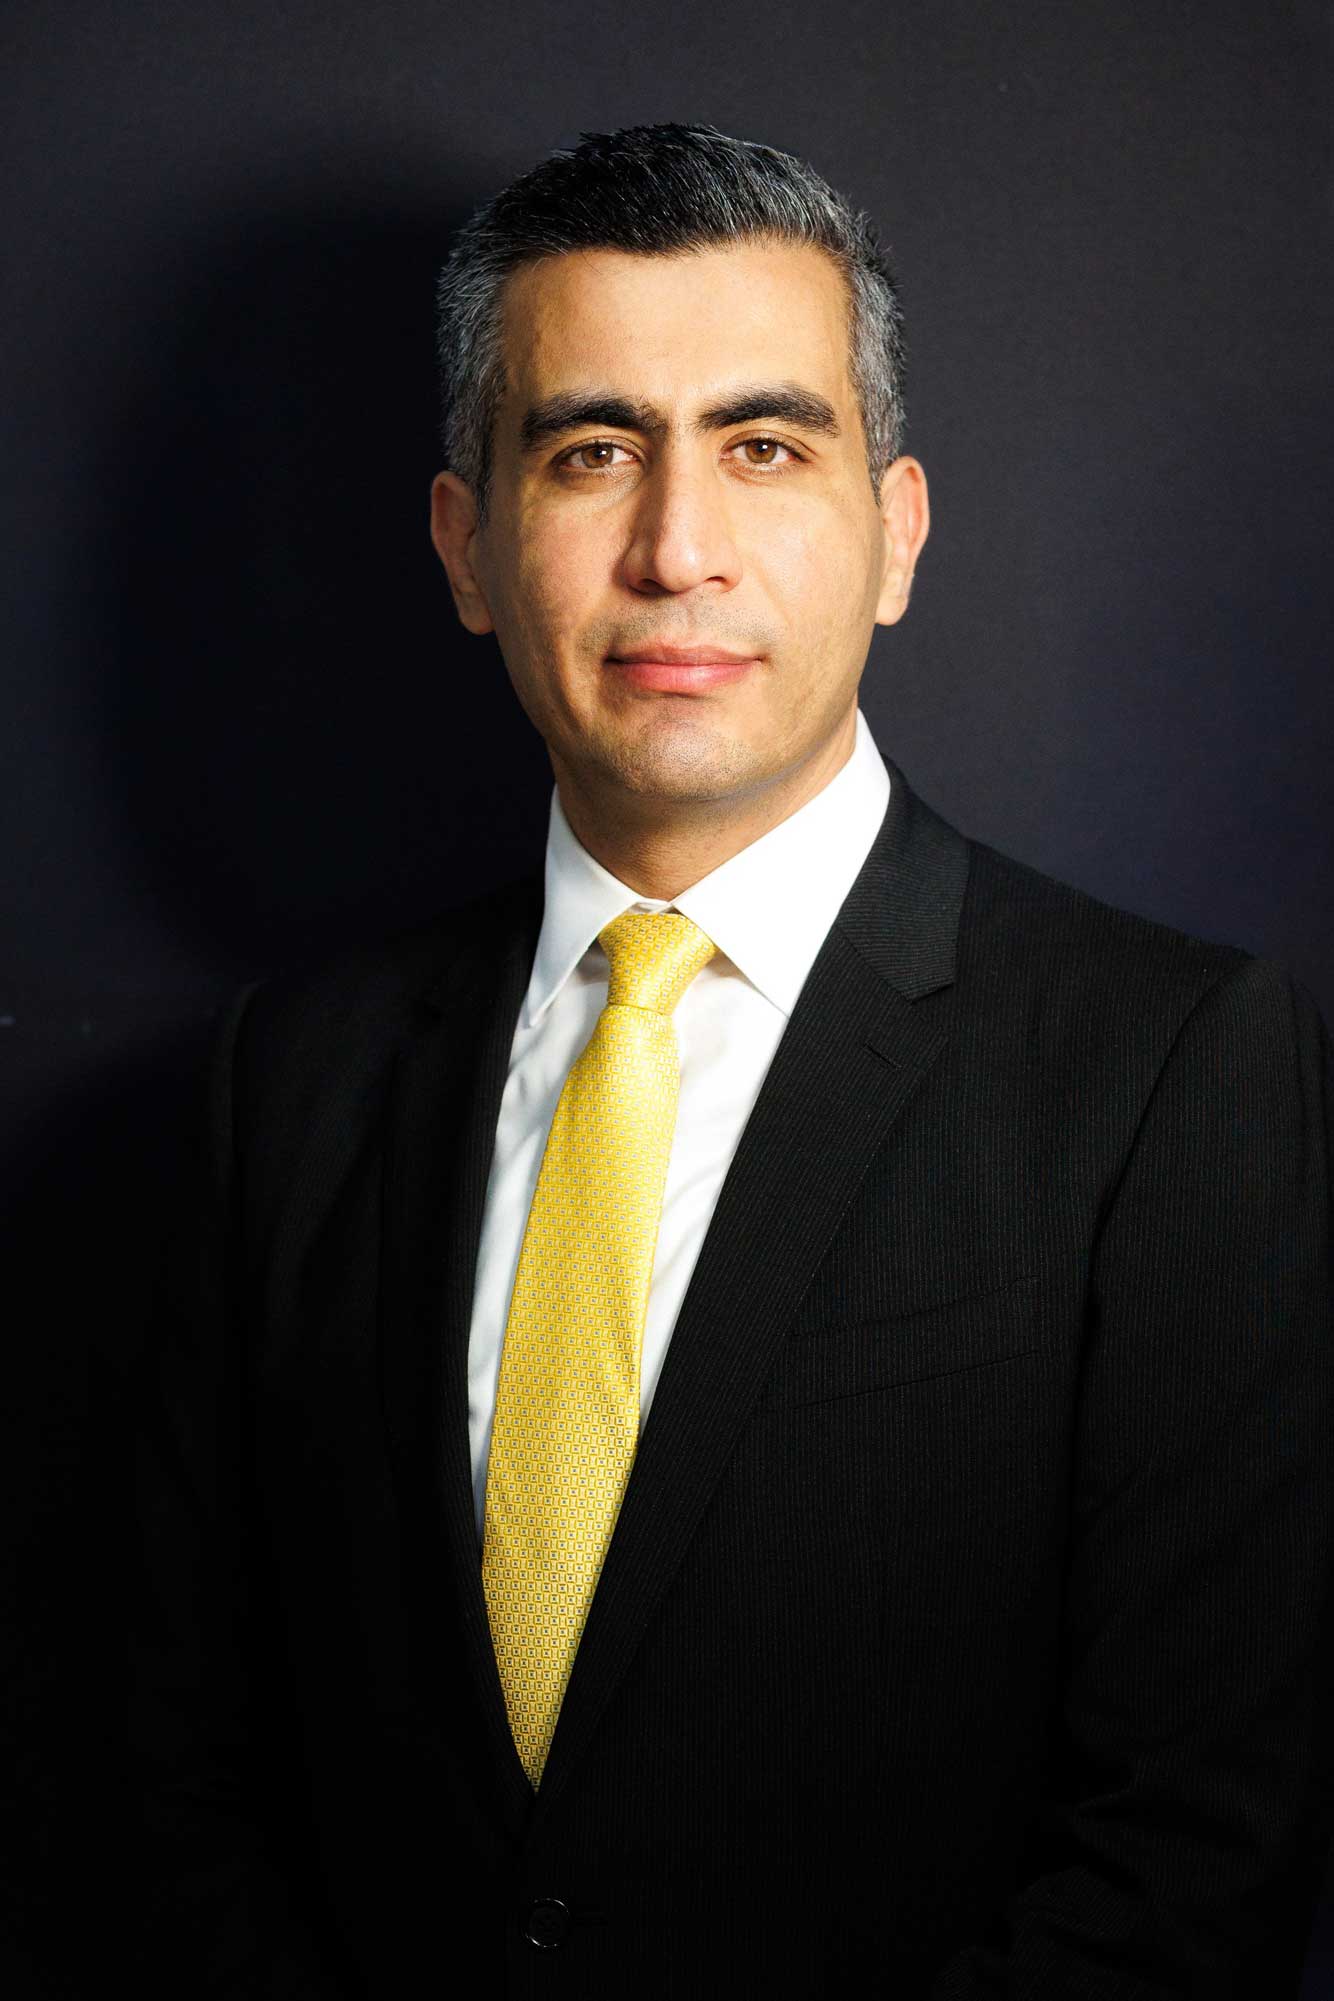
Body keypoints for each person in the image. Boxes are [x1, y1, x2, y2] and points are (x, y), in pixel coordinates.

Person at [132, 122, 1333, 1997]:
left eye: (765, 447)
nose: (675, 546)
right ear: (464, 546)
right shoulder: (286, 1080)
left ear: (896, 536)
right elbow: (159, 1768)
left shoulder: (1170, 1063)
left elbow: (1198, 1859)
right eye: (591, 450)